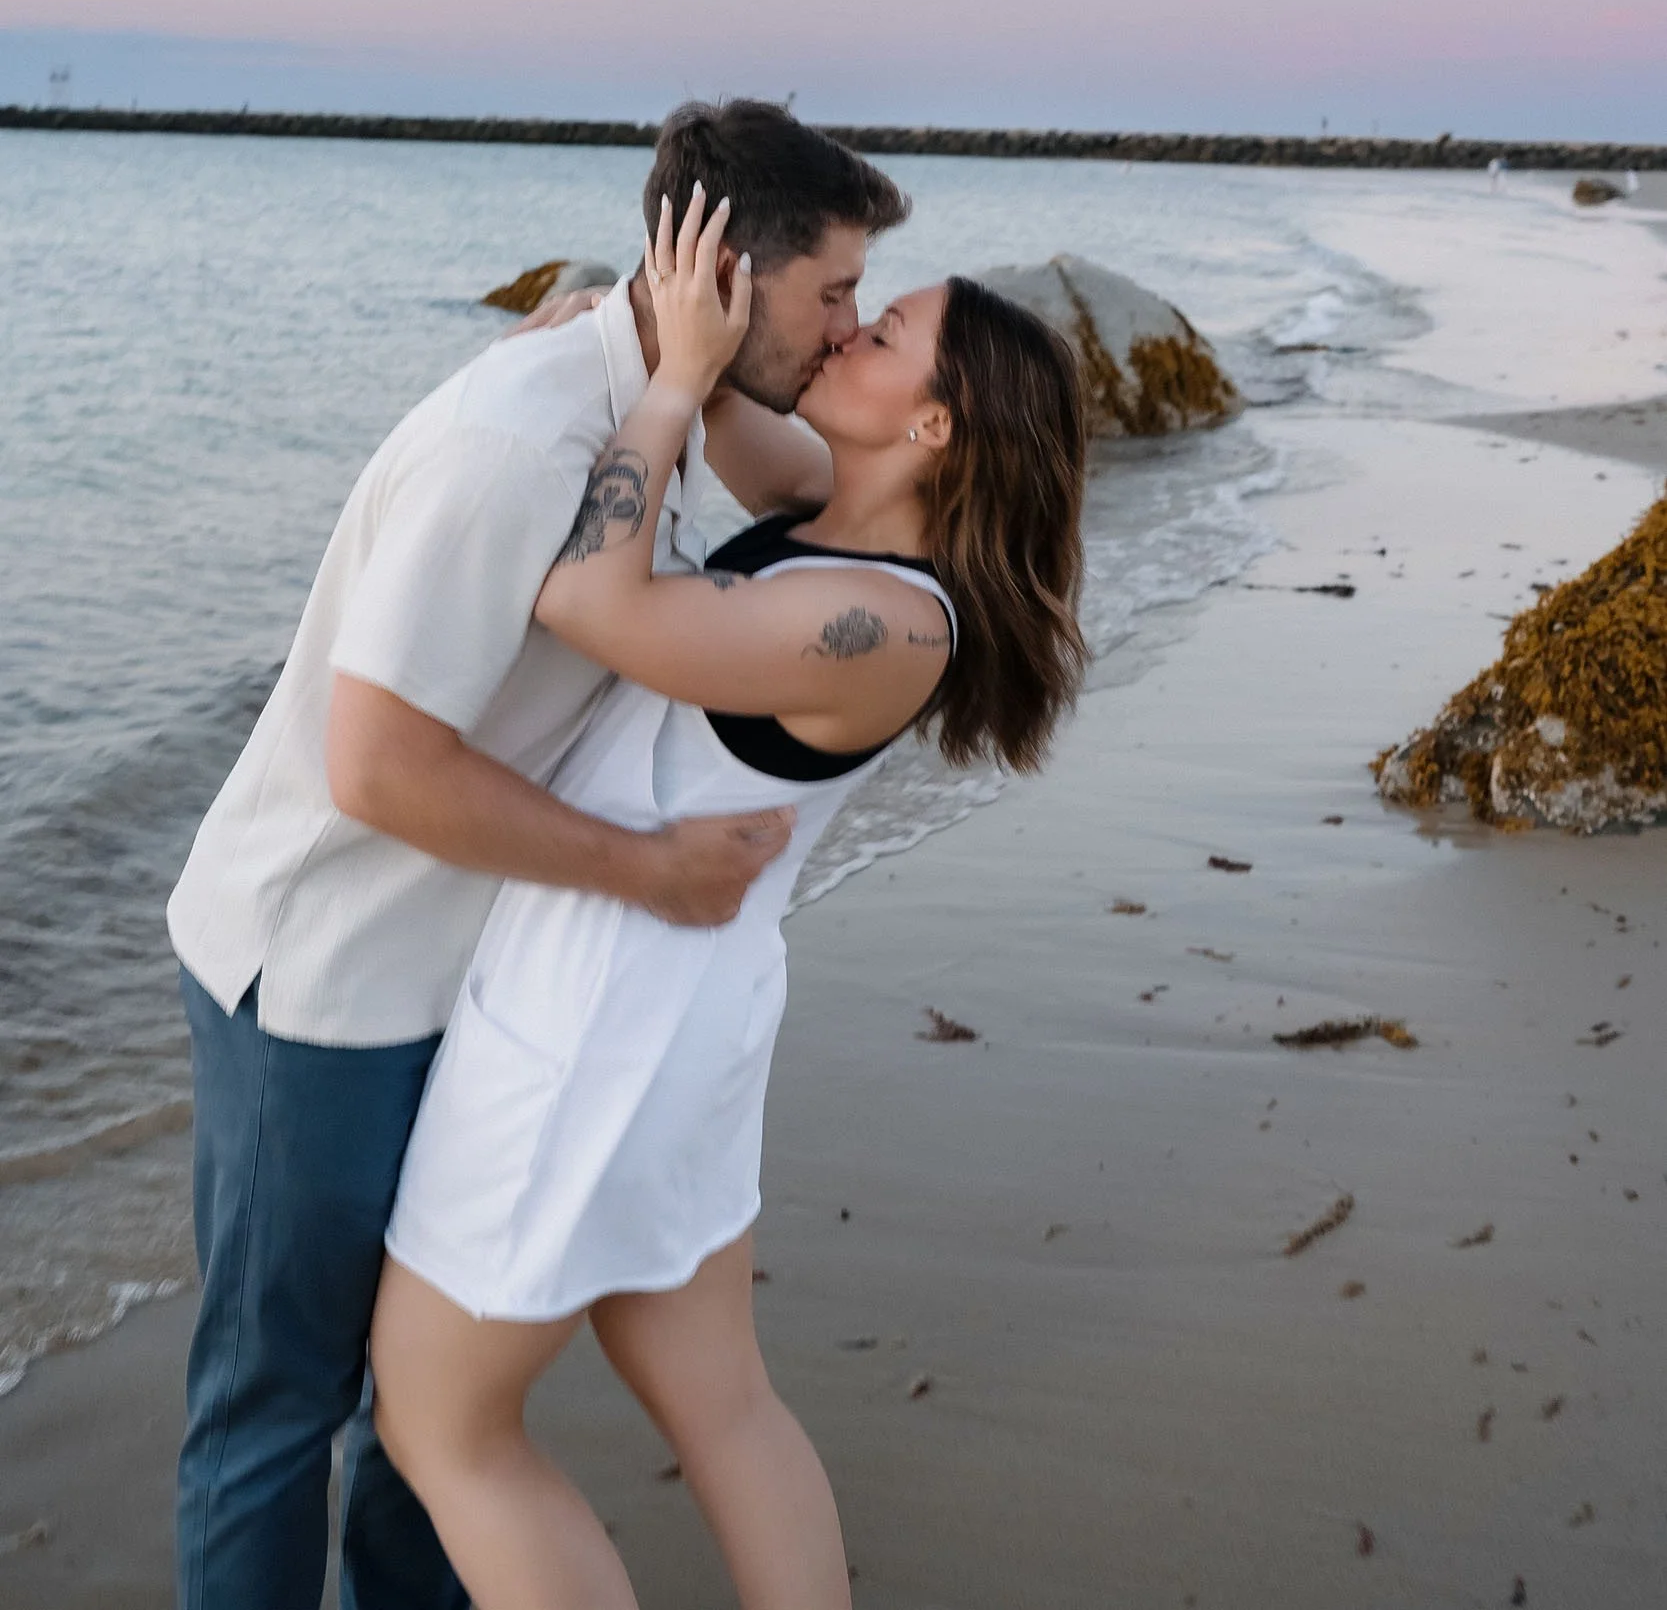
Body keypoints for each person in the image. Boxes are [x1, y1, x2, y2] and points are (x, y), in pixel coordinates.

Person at [165, 100, 910, 1610]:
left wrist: (676, 367)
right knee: (275, 1407)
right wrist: (643, 873)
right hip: (322, 977)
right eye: (830, 294)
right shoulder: (518, 438)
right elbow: (375, 768)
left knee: (413, 1407)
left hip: (465, 968)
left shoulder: (681, 411)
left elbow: (840, 501)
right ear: (721, 265)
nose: (844, 332)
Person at [367, 182, 1090, 1610]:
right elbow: (701, 407)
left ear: (932, 424)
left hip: (600, 1022)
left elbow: (592, 601)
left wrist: (672, 384)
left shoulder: (883, 621)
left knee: (441, 1423)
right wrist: (627, 341)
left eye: (881, 332)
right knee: (717, 1400)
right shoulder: (834, 511)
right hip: (680, 1009)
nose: (846, 335)